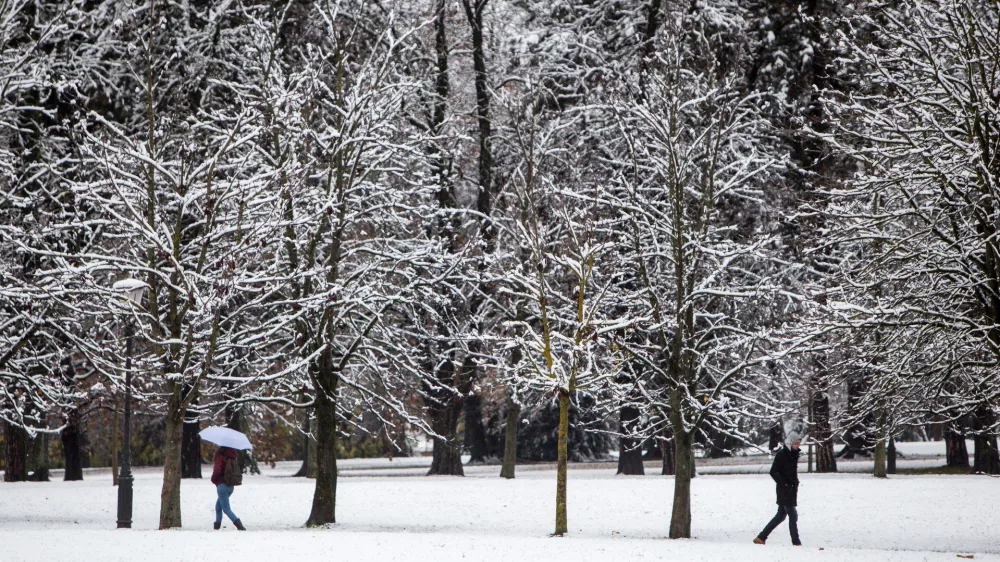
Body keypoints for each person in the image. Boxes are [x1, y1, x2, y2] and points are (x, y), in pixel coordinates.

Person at [753, 430, 802, 546]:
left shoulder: (793, 455)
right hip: (784, 490)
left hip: (791, 489)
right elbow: (773, 471)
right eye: (795, 444)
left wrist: (794, 483)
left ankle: (761, 537)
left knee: (780, 516)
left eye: (799, 444)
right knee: (793, 515)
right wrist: (784, 484)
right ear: (790, 443)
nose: (797, 446)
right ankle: (796, 542)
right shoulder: (782, 455)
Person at [211, 446, 246, 531]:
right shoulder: (232, 457)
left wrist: (213, 479)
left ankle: (239, 526)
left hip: (222, 486)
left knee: (226, 509)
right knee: (218, 507)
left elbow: (217, 470)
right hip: (230, 486)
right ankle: (216, 526)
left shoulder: (220, 457)